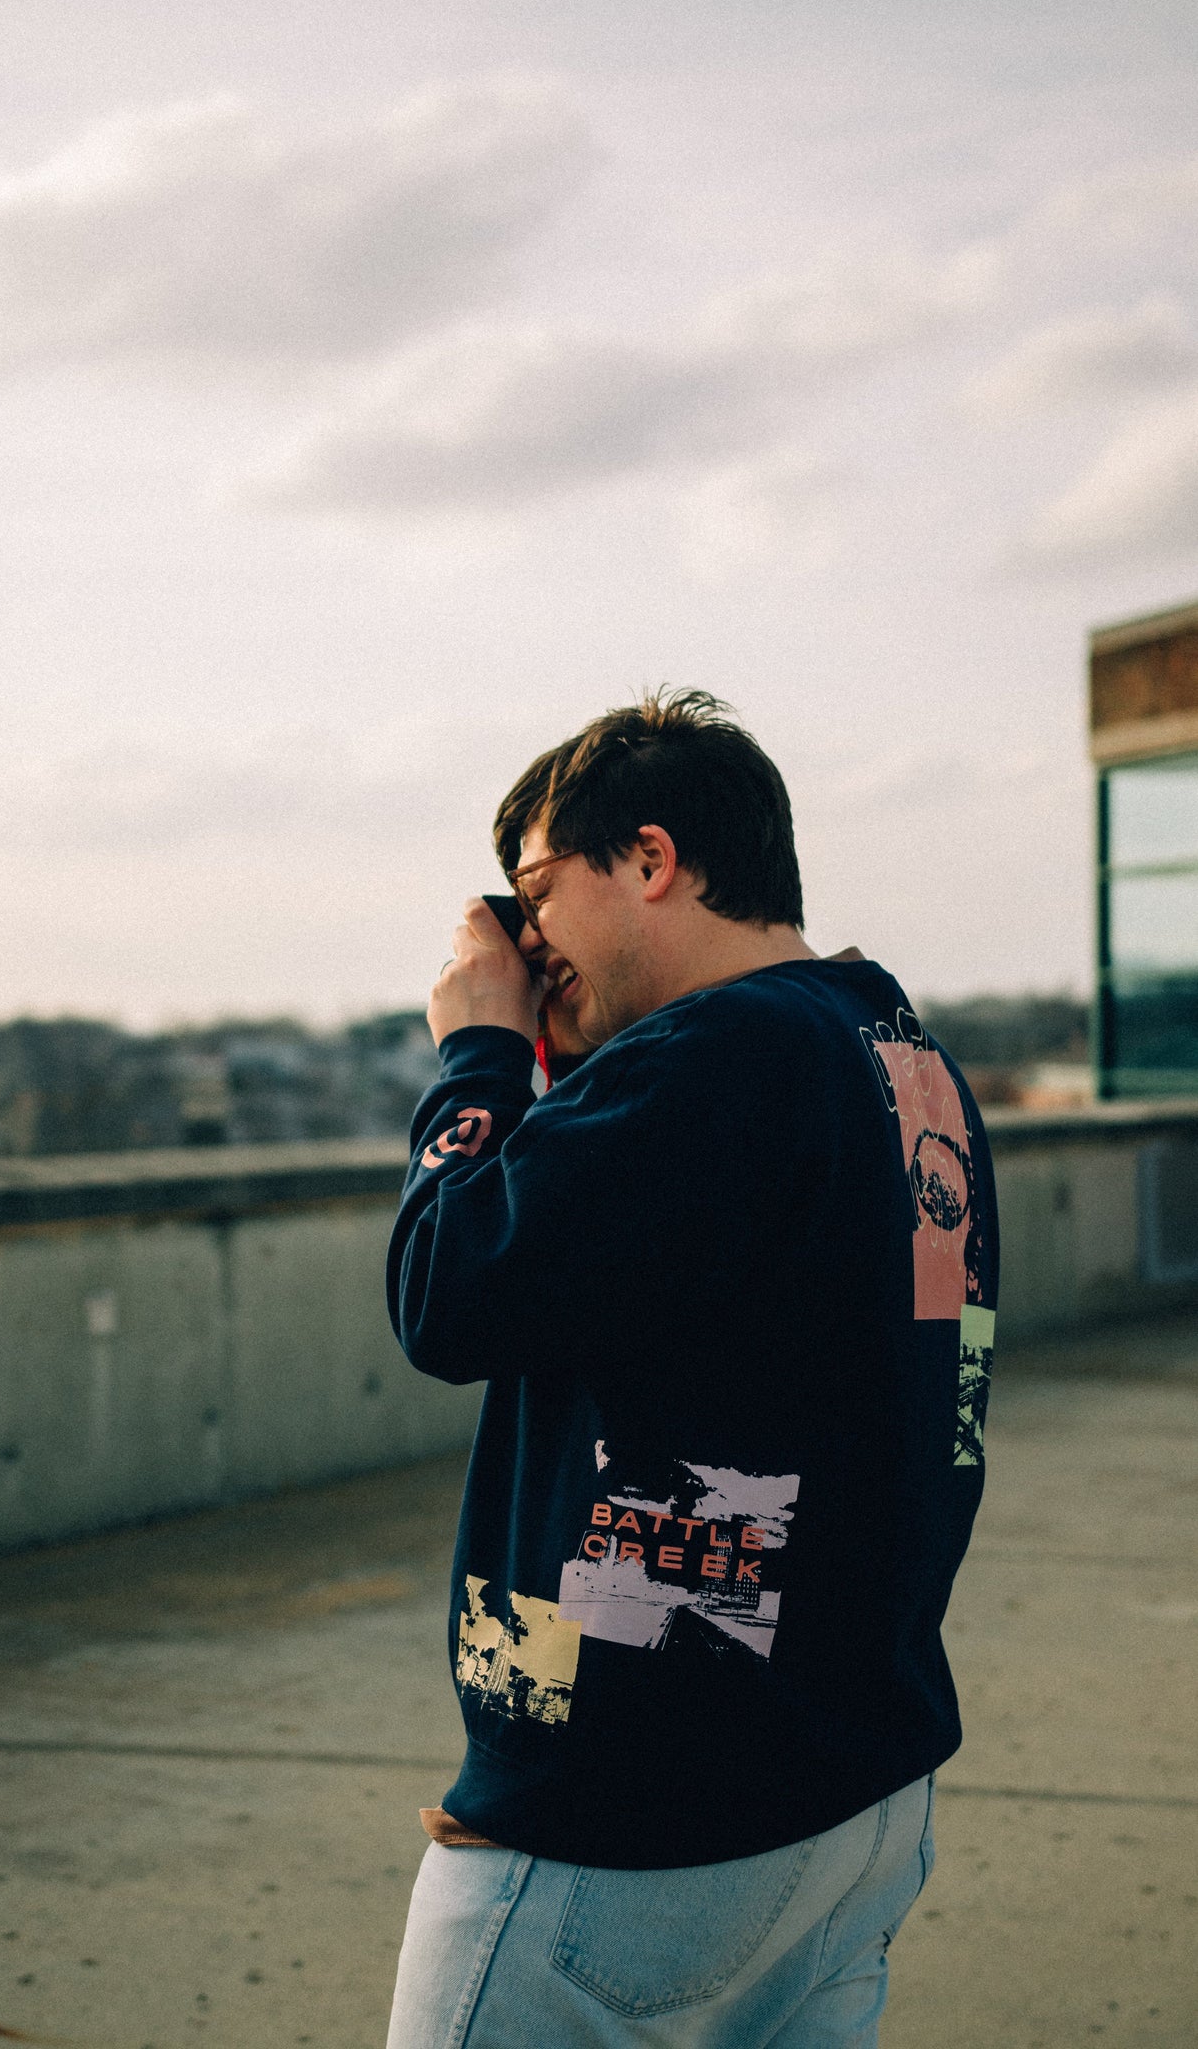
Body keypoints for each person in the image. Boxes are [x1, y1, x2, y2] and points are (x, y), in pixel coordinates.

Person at [384, 689, 998, 2049]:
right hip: (842, 1783)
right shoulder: (896, 1060)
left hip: (633, 1816)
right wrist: (574, 1065)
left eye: (537, 892)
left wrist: (481, 1054)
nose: (525, 940)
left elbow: (447, 1294)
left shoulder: (717, 1057)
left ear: (649, 861)